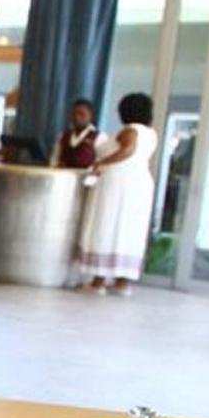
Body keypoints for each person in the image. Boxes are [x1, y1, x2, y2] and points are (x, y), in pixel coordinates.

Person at [76, 92, 159, 295]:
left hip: (119, 184)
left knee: (108, 225)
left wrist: (102, 163)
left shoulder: (131, 130)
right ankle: (123, 282)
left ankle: (98, 282)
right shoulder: (151, 133)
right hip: (140, 184)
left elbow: (128, 150)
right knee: (130, 231)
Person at [53, 98, 106, 170]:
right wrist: (56, 165)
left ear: (90, 116)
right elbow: (54, 158)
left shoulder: (99, 137)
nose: (77, 117)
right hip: (62, 175)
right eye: (74, 114)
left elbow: (101, 163)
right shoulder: (63, 136)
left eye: (82, 114)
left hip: (85, 176)